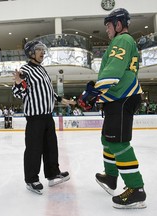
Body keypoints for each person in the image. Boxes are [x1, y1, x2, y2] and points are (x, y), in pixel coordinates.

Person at [78, 8, 146, 209]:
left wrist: (92, 93)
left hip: (123, 97)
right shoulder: (120, 41)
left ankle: (136, 189)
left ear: (118, 24)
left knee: (118, 143)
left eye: (108, 25)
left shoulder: (122, 40)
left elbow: (114, 70)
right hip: (116, 96)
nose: (107, 29)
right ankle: (110, 177)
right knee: (107, 139)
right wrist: (98, 94)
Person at [12, 40, 74, 195]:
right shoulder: (25, 70)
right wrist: (19, 83)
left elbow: (48, 90)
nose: (42, 52)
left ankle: (53, 174)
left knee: (50, 147)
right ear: (31, 52)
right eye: (39, 50)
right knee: (34, 149)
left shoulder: (42, 69)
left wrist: (61, 100)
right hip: (35, 118)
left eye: (43, 50)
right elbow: (18, 93)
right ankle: (31, 179)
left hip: (47, 116)